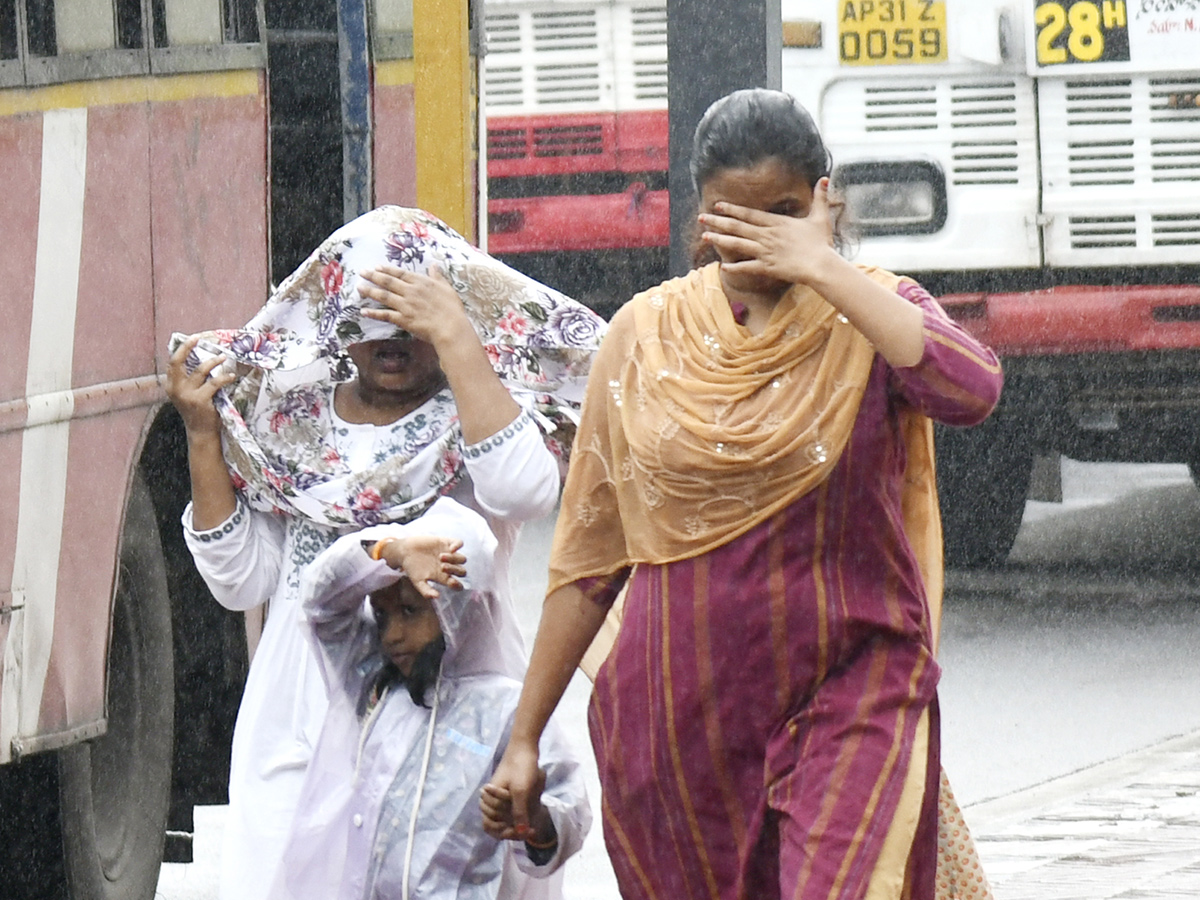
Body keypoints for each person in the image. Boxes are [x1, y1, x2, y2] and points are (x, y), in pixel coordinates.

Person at [486, 89, 1002, 900]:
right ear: (699, 214)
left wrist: (823, 268)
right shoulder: (643, 335)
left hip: (853, 687)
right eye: (736, 215)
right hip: (675, 720)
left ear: (826, 201)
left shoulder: (871, 316)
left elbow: (971, 388)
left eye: (786, 212)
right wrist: (524, 739)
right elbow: (588, 564)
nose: (761, 235)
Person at [164, 207, 604, 900]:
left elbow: (523, 491)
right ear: (339, 317)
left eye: (413, 318)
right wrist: (199, 435)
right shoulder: (290, 419)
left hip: (450, 712)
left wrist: (459, 337)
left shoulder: (483, 408)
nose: (393, 339)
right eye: (373, 315)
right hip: (303, 720)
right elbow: (240, 581)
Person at [269, 496, 589, 900]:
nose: (391, 636)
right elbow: (320, 600)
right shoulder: (374, 686)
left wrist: (534, 821)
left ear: (460, 606)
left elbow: (569, 810)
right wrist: (388, 552)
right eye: (382, 615)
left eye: (410, 611)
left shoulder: (508, 712)